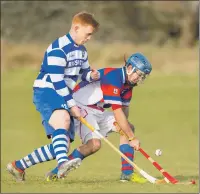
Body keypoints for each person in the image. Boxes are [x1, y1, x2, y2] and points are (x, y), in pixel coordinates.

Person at [6, 11, 100, 182]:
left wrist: (91, 76)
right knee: (63, 120)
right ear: (76, 28)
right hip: (48, 90)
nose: (89, 38)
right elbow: (58, 82)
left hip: (64, 93)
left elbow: (83, 73)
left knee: (61, 145)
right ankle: (63, 163)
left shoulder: (82, 51)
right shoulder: (58, 48)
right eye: (88, 34)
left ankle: (18, 166)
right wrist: (73, 106)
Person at [46, 52, 152, 183]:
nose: (140, 79)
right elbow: (117, 112)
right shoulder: (114, 77)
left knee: (128, 127)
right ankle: (56, 172)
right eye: (139, 74)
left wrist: (125, 131)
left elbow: (124, 111)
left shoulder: (128, 86)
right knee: (94, 145)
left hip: (98, 110)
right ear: (130, 68)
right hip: (81, 107)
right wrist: (132, 138)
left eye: (143, 77)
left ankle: (127, 174)